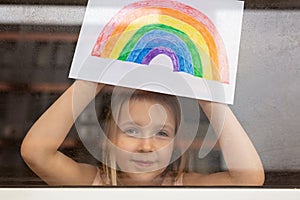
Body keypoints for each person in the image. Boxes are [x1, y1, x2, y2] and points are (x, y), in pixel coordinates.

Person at [21, 80, 265, 186]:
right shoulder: (93, 182)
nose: (146, 146)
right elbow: (36, 153)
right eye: (131, 130)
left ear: (175, 146)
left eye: (161, 134)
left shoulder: (183, 185)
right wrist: (90, 83)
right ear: (106, 141)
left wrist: (209, 97)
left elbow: (249, 178)